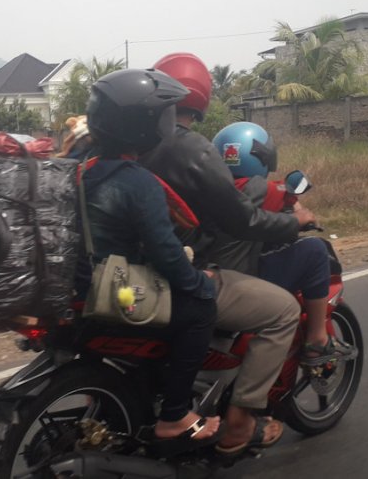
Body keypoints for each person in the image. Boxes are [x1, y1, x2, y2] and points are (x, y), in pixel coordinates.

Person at [140, 53, 305, 455]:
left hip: (123, 272)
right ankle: (239, 422)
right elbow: (242, 222)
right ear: (201, 100)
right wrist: (294, 224)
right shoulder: (193, 150)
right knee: (283, 311)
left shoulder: (123, 148)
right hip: (175, 274)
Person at [76, 68, 221, 450]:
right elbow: (165, 252)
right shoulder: (138, 181)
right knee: (201, 308)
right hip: (116, 293)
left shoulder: (80, 168)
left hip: (77, 285)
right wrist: (198, 281)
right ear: (142, 126)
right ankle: (174, 414)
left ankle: (106, 392)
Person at [212, 121, 357, 365]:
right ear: (261, 156)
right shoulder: (260, 188)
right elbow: (293, 200)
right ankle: (317, 340)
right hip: (240, 279)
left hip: (207, 274)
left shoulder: (208, 188)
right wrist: (304, 217)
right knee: (315, 249)